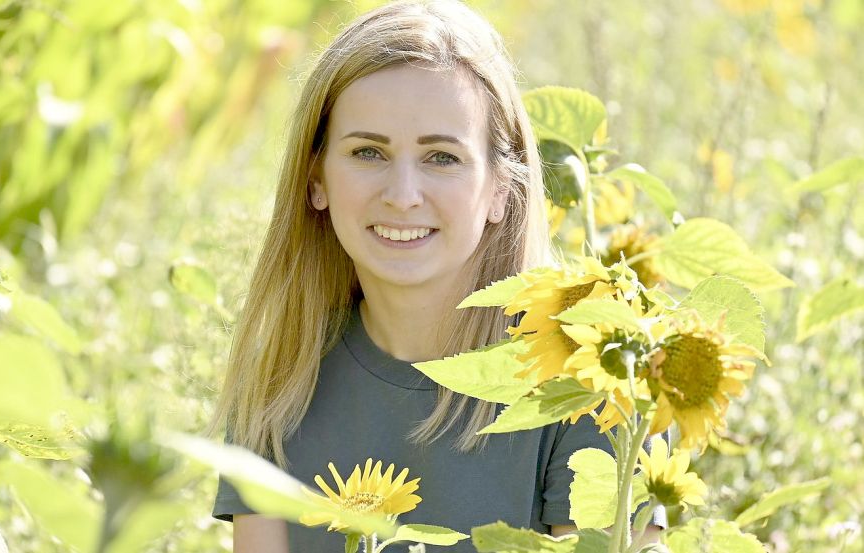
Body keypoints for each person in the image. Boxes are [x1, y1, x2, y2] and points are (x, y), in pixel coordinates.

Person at [210, 1, 665, 551]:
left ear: (502, 186)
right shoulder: (280, 383)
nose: (402, 195)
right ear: (316, 179)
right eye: (368, 152)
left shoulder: (588, 378)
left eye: (442, 158)